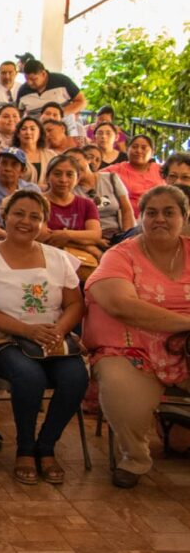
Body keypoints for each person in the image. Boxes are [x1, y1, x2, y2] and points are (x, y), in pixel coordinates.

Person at [0, 190, 88, 485]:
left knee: (76, 376)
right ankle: (24, 448)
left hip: (51, 339)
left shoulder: (58, 258)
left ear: (44, 222)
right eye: (19, 214)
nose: (26, 221)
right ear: (4, 216)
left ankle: (45, 447)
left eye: (35, 216)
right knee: (29, 376)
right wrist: (27, 330)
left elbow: (75, 304)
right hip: (2, 340)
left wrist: (59, 330)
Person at [84, 185, 190, 488]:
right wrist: (186, 323)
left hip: (186, 349)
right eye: (151, 213)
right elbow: (120, 304)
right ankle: (135, 458)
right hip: (131, 347)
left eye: (169, 212)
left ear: (184, 217)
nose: (160, 219)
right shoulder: (121, 254)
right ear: (140, 217)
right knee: (121, 389)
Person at [62, 148, 135, 245]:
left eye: (76, 161)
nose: (74, 167)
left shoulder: (110, 178)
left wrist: (126, 237)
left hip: (119, 233)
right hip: (92, 238)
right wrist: (96, 240)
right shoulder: (69, 191)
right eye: (69, 165)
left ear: (88, 159)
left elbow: (127, 210)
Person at [40, 156, 103, 259]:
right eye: (57, 174)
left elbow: (95, 235)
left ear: (77, 178)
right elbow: (43, 237)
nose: (63, 180)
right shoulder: (38, 202)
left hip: (82, 260)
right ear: (47, 177)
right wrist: (87, 247)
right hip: (47, 256)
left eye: (69, 174)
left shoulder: (88, 204)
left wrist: (66, 234)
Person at [101, 134, 164, 218]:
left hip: (160, 217)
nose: (138, 151)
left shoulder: (161, 170)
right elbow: (93, 179)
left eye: (143, 148)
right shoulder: (116, 170)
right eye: (134, 147)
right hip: (127, 219)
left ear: (152, 152)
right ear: (127, 150)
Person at [16, 60, 87, 119]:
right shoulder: (23, 90)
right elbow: (18, 113)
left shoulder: (62, 81)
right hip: (37, 129)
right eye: (26, 79)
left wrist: (60, 114)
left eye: (33, 79)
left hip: (64, 126)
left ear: (43, 74)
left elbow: (82, 101)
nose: (29, 83)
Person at [13, 117, 57, 188]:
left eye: (32, 129)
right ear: (18, 134)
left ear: (39, 134)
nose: (28, 132)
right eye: (24, 129)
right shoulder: (12, 155)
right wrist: (36, 188)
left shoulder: (51, 155)